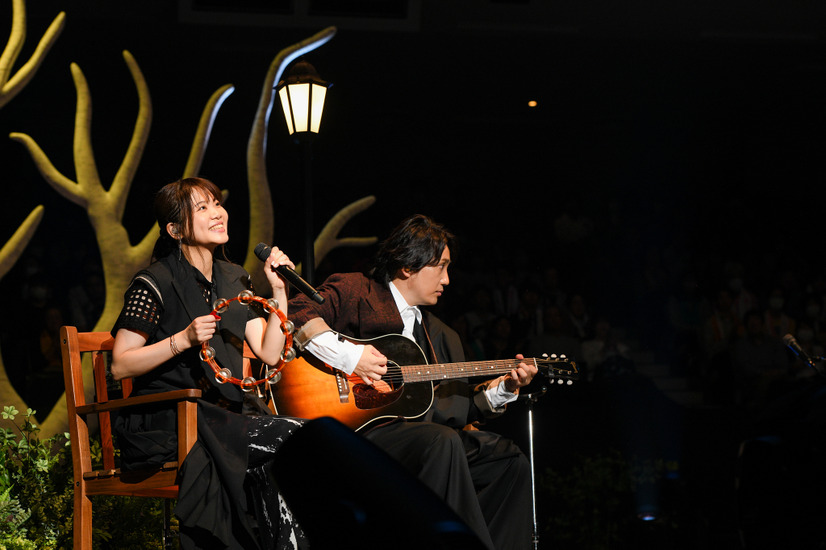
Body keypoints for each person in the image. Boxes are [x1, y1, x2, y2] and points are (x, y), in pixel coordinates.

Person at [288, 214, 538, 550]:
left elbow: (459, 408)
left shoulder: (443, 336)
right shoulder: (357, 291)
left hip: (421, 439)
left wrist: (506, 388)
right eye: (441, 267)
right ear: (408, 266)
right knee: (443, 442)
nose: (447, 280)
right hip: (355, 432)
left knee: (509, 460)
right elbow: (297, 312)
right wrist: (352, 358)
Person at [109, 177, 306, 550]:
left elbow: (266, 350)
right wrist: (181, 340)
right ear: (175, 229)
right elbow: (120, 365)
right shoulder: (154, 282)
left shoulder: (233, 277)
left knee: (301, 443)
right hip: (174, 418)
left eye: (217, 203)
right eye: (202, 208)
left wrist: (279, 290)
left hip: (227, 415)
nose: (217, 213)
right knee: (291, 438)